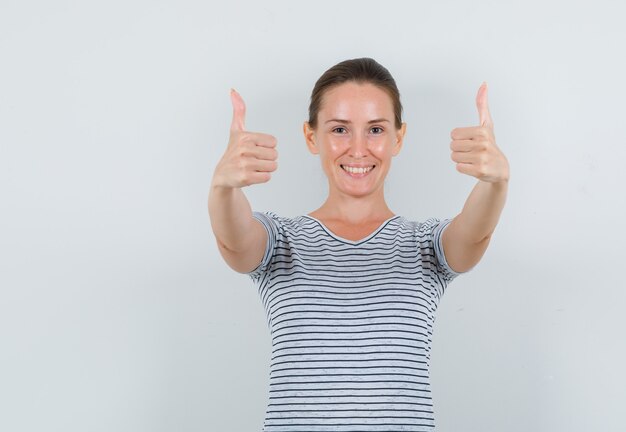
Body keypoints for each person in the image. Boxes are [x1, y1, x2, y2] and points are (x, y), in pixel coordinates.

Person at [208, 57, 509, 431]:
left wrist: (495, 183)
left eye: (376, 129)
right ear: (310, 136)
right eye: (339, 129)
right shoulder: (280, 241)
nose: (358, 148)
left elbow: (473, 235)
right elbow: (235, 243)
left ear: (398, 137)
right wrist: (223, 188)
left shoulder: (425, 245)